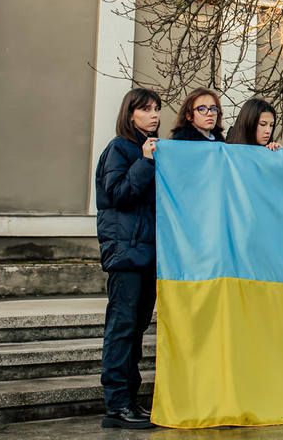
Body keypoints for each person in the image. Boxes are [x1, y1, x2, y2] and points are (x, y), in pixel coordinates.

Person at [95, 88, 161, 429]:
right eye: (146, 109)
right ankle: (116, 405)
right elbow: (118, 194)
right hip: (125, 254)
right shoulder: (120, 149)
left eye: (157, 109)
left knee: (135, 330)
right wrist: (145, 162)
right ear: (130, 114)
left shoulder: (148, 150)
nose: (154, 115)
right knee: (121, 329)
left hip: (148, 254)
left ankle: (129, 402)